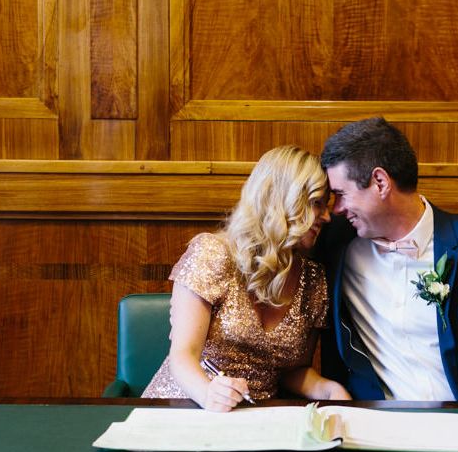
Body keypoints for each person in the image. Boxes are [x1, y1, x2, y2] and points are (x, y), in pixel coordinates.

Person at [316, 116, 458, 401]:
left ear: (380, 182)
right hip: (370, 422)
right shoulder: (334, 243)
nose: (337, 209)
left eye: (341, 195)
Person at [142, 145, 351, 411]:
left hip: (254, 419)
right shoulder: (213, 252)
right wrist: (209, 395)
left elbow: (292, 371)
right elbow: (183, 356)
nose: (327, 216)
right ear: (283, 200)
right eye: (317, 203)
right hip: (185, 405)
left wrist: (328, 388)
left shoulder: (313, 279)